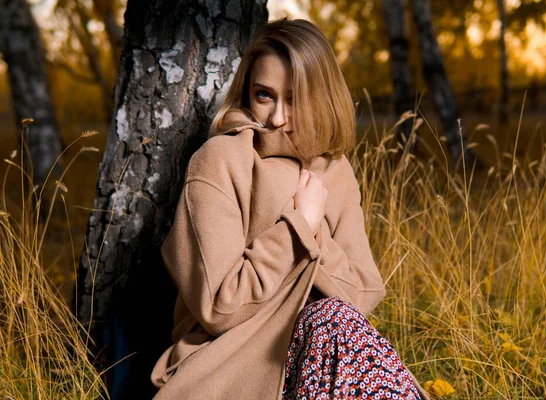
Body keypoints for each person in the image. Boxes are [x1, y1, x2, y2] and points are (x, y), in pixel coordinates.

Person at [151, 18, 428, 400]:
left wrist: (314, 232)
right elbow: (219, 307)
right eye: (264, 95)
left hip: (323, 358)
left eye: (294, 98)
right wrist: (298, 226)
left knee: (334, 319)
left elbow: (363, 294)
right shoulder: (221, 160)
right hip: (235, 362)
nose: (278, 118)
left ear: (321, 96)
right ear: (246, 92)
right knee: (333, 321)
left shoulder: (336, 170)